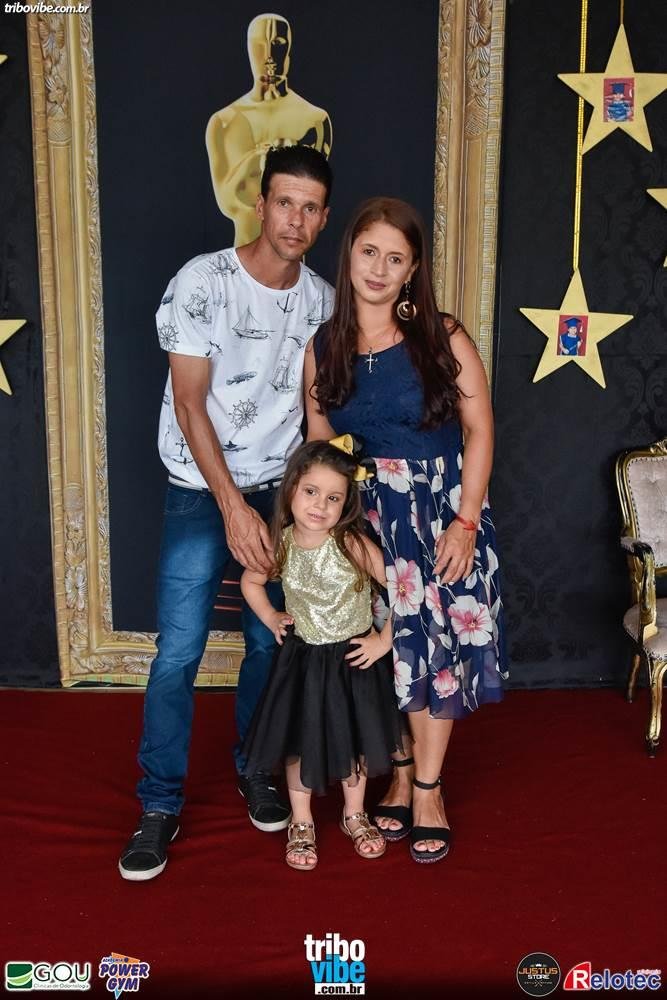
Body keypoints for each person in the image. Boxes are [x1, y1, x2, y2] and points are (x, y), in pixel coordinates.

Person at [118, 145, 334, 882]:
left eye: (310, 208)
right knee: (178, 651)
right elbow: (188, 403)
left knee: (269, 642)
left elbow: (316, 411)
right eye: (284, 202)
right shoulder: (203, 281)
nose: (295, 219)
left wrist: (314, 503)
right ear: (261, 204)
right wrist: (232, 507)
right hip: (198, 488)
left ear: (322, 219)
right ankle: (158, 803)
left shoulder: (322, 301)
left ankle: (255, 766)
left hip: (280, 492)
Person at [304, 197, 508, 864]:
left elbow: (479, 430)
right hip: (365, 520)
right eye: (369, 252)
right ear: (349, 254)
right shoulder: (322, 348)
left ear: (412, 269)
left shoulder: (441, 337)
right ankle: (397, 770)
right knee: (385, 650)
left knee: (433, 651)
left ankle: (427, 788)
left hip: (440, 513)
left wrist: (466, 521)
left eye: (395, 258)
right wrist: (338, 535)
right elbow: (320, 455)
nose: (379, 268)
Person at [240, 439, 406, 870]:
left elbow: (404, 588)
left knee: (355, 739)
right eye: (311, 491)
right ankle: (301, 820)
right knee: (299, 740)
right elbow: (250, 582)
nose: (320, 505)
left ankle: (355, 814)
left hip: (353, 661)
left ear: (346, 503)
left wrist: (383, 641)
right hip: (303, 662)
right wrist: (271, 616)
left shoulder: (350, 543)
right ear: (291, 489)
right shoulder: (281, 543)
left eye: (333, 498)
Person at [206, 13, 333, 246]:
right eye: (259, 45)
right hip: (242, 252)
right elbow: (227, 202)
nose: (269, 56)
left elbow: (310, 197)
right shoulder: (225, 121)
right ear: (248, 49)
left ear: (289, 49)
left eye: (278, 44)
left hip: (293, 261)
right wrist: (260, 157)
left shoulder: (314, 120)